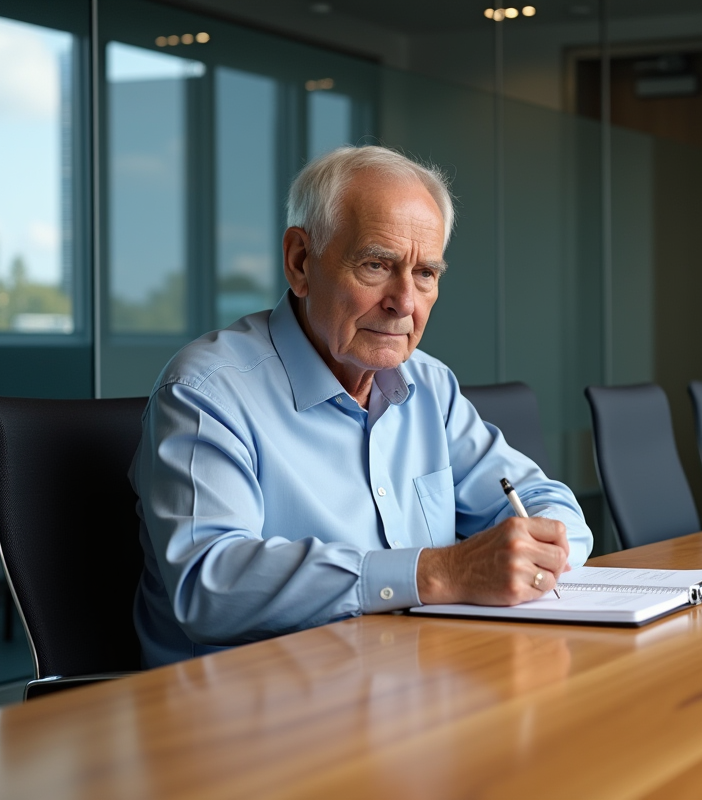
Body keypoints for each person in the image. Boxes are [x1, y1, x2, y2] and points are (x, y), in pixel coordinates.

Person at [132, 145, 593, 667]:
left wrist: (542, 553)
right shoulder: (206, 392)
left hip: (409, 685)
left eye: (425, 274)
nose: (405, 302)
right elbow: (209, 583)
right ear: (300, 261)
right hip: (244, 717)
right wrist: (436, 574)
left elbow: (543, 500)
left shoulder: (430, 387)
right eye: (377, 265)